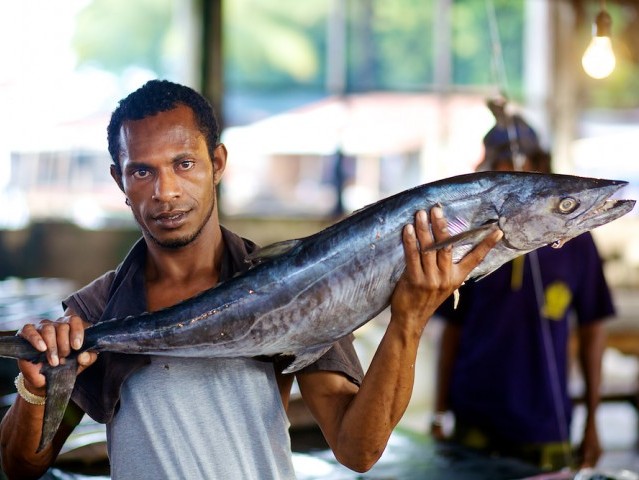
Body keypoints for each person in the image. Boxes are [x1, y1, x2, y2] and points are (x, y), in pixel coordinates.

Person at [0, 80, 501, 479]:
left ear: (217, 163)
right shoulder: (98, 308)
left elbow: (357, 449)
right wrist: (35, 391)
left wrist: (408, 321)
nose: (166, 191)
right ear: (119, 182)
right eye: (142, 172)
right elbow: (20, 467)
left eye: (184, 163)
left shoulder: (296, 283)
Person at [430, 125, 614, 471]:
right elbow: (451, 332)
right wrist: (441, 410)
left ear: (538, 166)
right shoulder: (470, 240)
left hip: (545, 421)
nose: (510, 175)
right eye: (498, 167)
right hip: (473, 414)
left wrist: (593, 423)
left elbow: (593, 332)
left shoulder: (577, 242)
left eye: (518, 165)